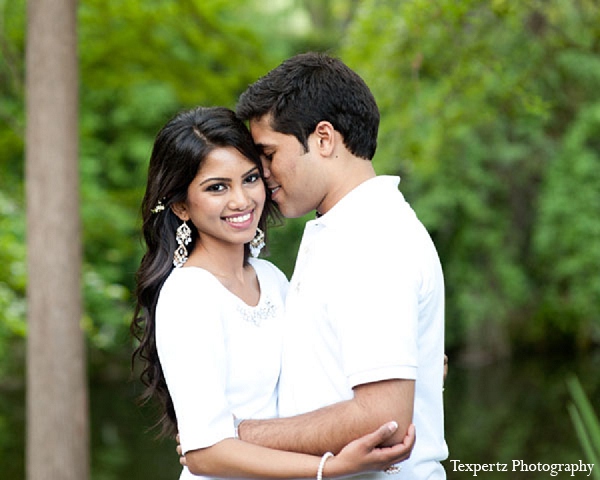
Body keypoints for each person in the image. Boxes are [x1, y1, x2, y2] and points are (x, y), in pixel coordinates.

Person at [130, 106, 415, 480]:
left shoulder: (272, 278)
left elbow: (326, 358)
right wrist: (328, 468)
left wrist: (414, 359)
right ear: (182, 205)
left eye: (249, 179)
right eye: (217, 187)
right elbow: (203, 453)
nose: (241, 200)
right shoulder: (188, 295)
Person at [230, 52, 449, 479]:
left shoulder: (372, 239)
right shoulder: (345, 231)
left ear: (324, 139)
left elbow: (382, 419)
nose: (262, 172)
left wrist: (239, 435)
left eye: (269, 153)